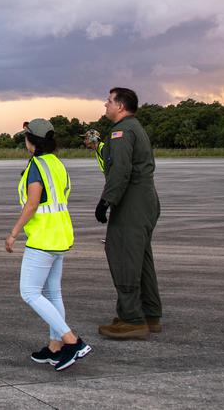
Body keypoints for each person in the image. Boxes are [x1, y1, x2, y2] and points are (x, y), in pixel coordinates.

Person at [5, 119, 91, 371]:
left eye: (26, 137)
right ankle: (55, 348)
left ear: (32, 141)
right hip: (60, 235)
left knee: (29, 292)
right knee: (53, 292)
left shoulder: (36, 166)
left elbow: (32, 204)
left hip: (43, 238)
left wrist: (14, 233)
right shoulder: (56, 163)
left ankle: (72, 341)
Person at [95, 87, 162, 340]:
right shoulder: (136, 127)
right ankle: (150, 314)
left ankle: (132, 318)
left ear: (121, 106)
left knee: (123, 256)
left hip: (132, 202)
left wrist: (106, 201)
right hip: (146, 201)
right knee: (142, 259)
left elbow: (120, 171)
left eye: (109, 101)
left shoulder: (121, 132)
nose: (106, 105)